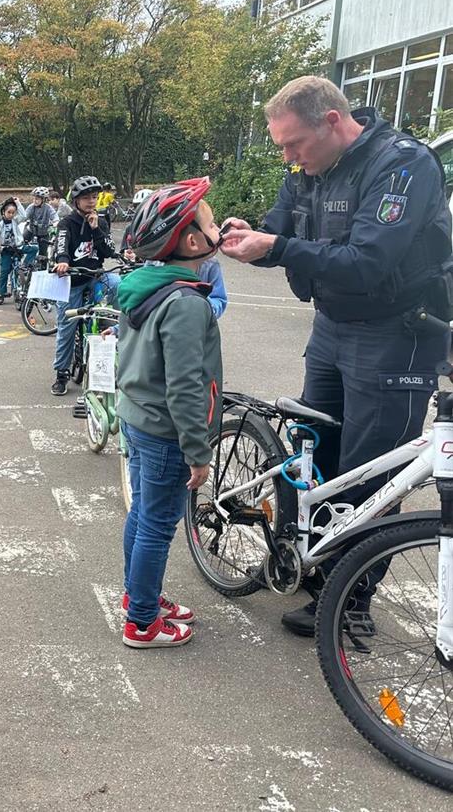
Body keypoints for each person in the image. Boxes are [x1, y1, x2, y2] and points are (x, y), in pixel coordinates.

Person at [221, 75, 453, 636]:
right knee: (316, 452)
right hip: (331, 325)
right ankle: (317, 562)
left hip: (396, 334)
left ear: (331, 121)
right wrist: (251, 237)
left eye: (293, 144)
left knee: (371, 472)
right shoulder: (307, 170)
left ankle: (349, 598)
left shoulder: (402, 165)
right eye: (281, 146)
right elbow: (279, 229)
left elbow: (369, 261)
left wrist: (275, 247)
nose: (288, 157)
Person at [116, 177, 224, 648]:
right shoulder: (186, 303)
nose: (217, 224)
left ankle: (138, 596)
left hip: (138, 418)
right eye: (210, 219)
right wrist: (198, 453)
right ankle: (141, 621)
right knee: (157, 525)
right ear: (193, 240)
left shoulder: (145, 285)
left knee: (143, 514)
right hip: (166, 431)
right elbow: (184, 386)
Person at [50, 175, 121, 396]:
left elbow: (109, 250)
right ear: (76, 201)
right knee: (67, 326)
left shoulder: (100, 221)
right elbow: (61, 245)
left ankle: (111, 333)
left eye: (94, 197)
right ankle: (61, 373)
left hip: (96, 277)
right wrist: (62, 261)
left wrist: (96, 229)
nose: (91, 202)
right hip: (72, 281)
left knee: (119, 284)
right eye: (86, 198)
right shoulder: (66, 223)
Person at [0, 196, 32, 304]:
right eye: (9, 212)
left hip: (17, 247)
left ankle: (25, 265)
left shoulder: (15, 221)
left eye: (13, 212)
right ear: (3, 212)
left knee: (33, 249)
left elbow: (24, 215)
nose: (11, 215)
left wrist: (18, 203)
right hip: (6, 249)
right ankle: (1, 293)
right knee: (4, 271)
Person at [22, 186, 58, 260]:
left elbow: (54, 216)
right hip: (31, 231)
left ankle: (42, 267)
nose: (34, 201)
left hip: (43, 234)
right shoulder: (31, 207)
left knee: (43, 255)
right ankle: (20, 262)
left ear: (43, 200)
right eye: (34, 198)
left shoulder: (48, 208)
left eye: (37, 199)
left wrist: (56, 222)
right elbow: (25, 216)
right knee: (20, 243)